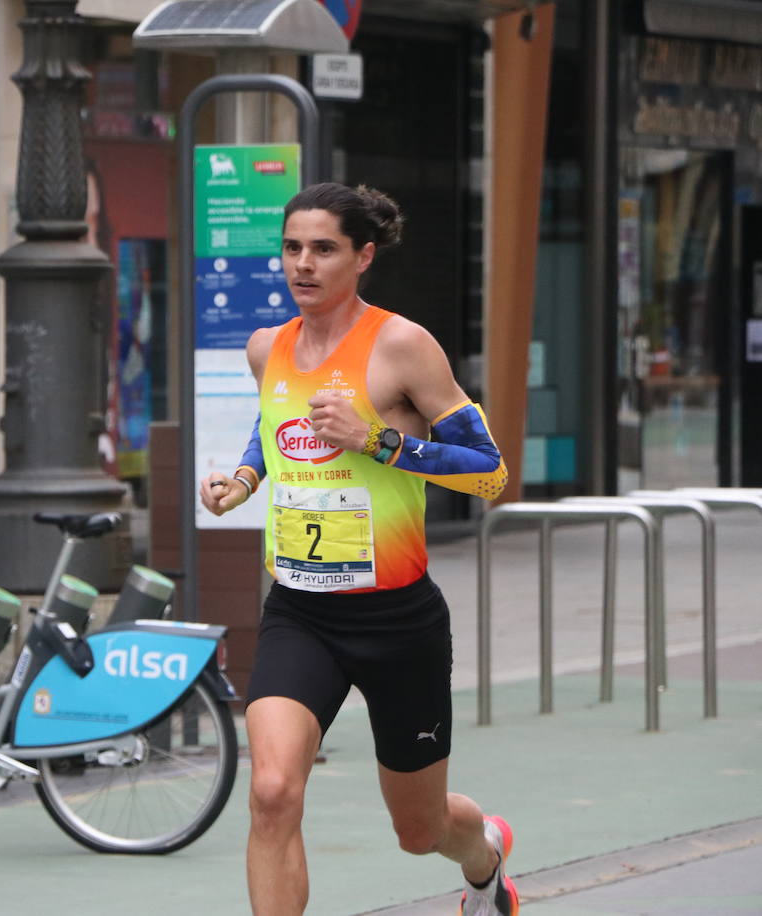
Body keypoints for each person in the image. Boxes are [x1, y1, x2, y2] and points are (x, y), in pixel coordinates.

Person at [199, 183, 515, 915]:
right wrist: (244, 480)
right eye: (291, 247)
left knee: (420, 829)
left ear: (363, 255)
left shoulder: (402, 345)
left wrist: (377, 440)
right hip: (300, 614)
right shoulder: (265, 348)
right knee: (273, 792)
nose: (302, 264)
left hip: (398, 621)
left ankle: (486, 853)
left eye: (323, 249)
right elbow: (275, 429)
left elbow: (490, 473)